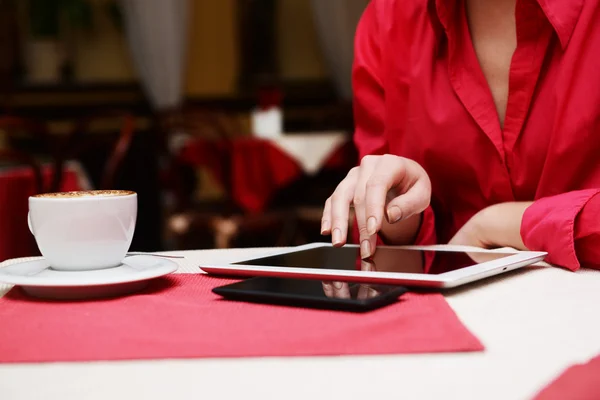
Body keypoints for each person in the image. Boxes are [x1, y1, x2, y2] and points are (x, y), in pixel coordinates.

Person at [320, 0, 600, 272]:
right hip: (447, 314)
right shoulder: (387, 22)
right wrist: (399, 219)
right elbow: (384, 268)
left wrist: (507, 224)